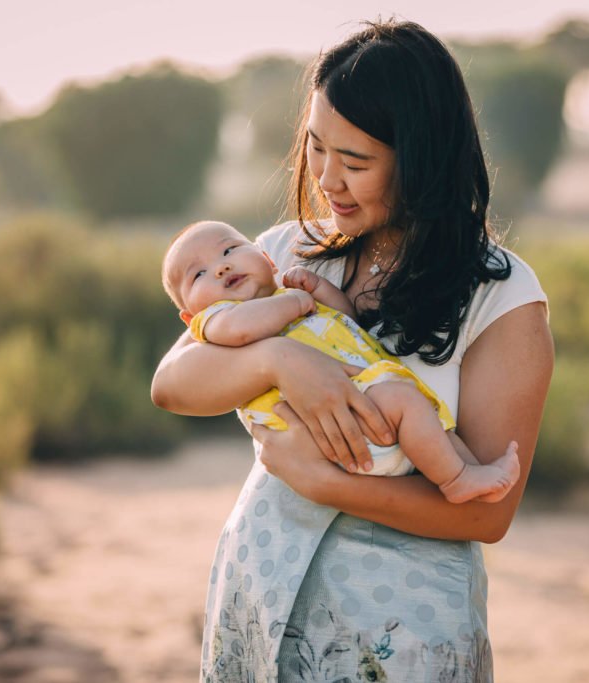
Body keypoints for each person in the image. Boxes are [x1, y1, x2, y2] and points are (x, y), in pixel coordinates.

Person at [151, 19, 553, 682]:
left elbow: (489, 510)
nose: (327, 180)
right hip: (260, 602)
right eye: (315, 149)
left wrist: (324, 483)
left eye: (356, 162)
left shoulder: (501, 299)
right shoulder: (281, 255)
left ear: (421, 159)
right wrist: (281, 361)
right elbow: (171, 382)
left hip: (396, 640)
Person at [160, 219, 522, 503]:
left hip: (361, 410)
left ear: (267, 259)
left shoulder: (290, 288)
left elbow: (346, 322)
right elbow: (239, 331)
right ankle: (457, 479)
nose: (220, 269)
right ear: (189, 317)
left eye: (229, 251)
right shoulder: (217, 319)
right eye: (199, 274)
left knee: (434, 422)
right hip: (325, 428)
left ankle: (473, 473)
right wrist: (294, 306)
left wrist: (319, 292)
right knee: (407, 402)